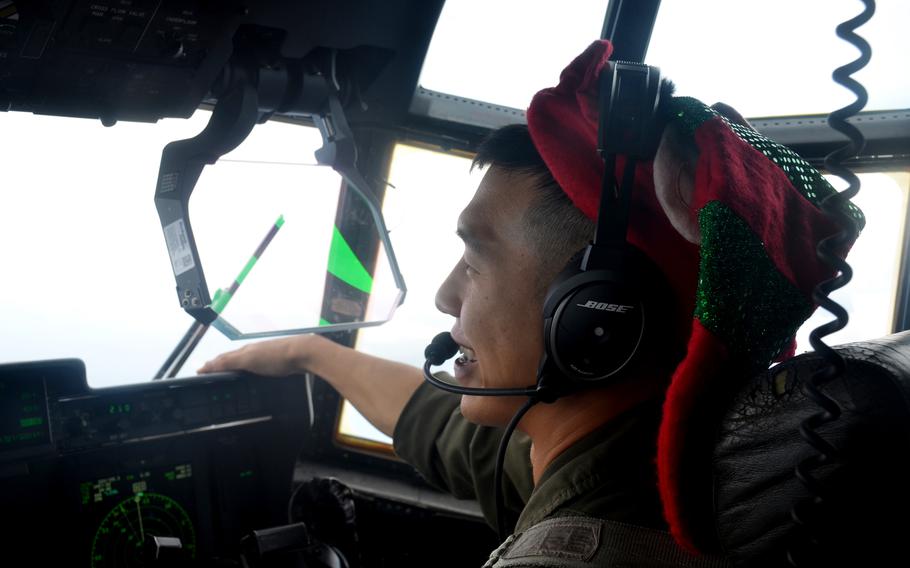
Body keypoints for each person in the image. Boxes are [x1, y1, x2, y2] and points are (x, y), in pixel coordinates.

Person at [200, 40, 861, 566]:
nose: (444, 295)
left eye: (474, 260)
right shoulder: (640, 459)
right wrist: (312, 353)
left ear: (594, 313)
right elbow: (448, 434)